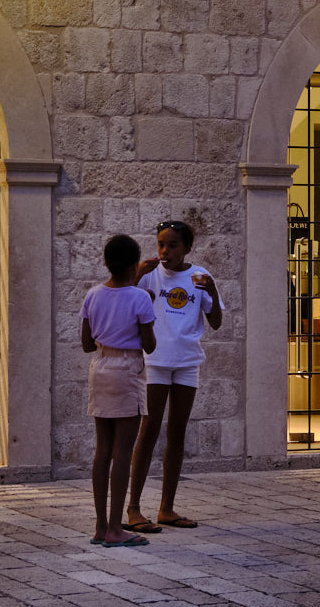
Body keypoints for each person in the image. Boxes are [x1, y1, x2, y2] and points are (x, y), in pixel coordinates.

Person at [125, 219, 222, 533]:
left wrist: (213, 289)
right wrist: (138, 274)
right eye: (161, 244)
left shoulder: (200, 277)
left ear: (187, 248)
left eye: (172, 245)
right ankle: (134, 509)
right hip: (154, 360)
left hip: (187, 361)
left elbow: (217, 321)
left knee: (177, 432)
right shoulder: (149, 275)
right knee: (149, 428)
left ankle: (166, 508)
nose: (165, 251)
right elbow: (122, 301)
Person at [80, 234, 158, 547]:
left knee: (102, 451)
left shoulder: (93, 294)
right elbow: (150, 345)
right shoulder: (140, 298)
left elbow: (86, 343)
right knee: (122, 453)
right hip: (127, 369)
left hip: (100, 366)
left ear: (106, 262)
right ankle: (115, 527)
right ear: (133, 265)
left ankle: (100, 526)